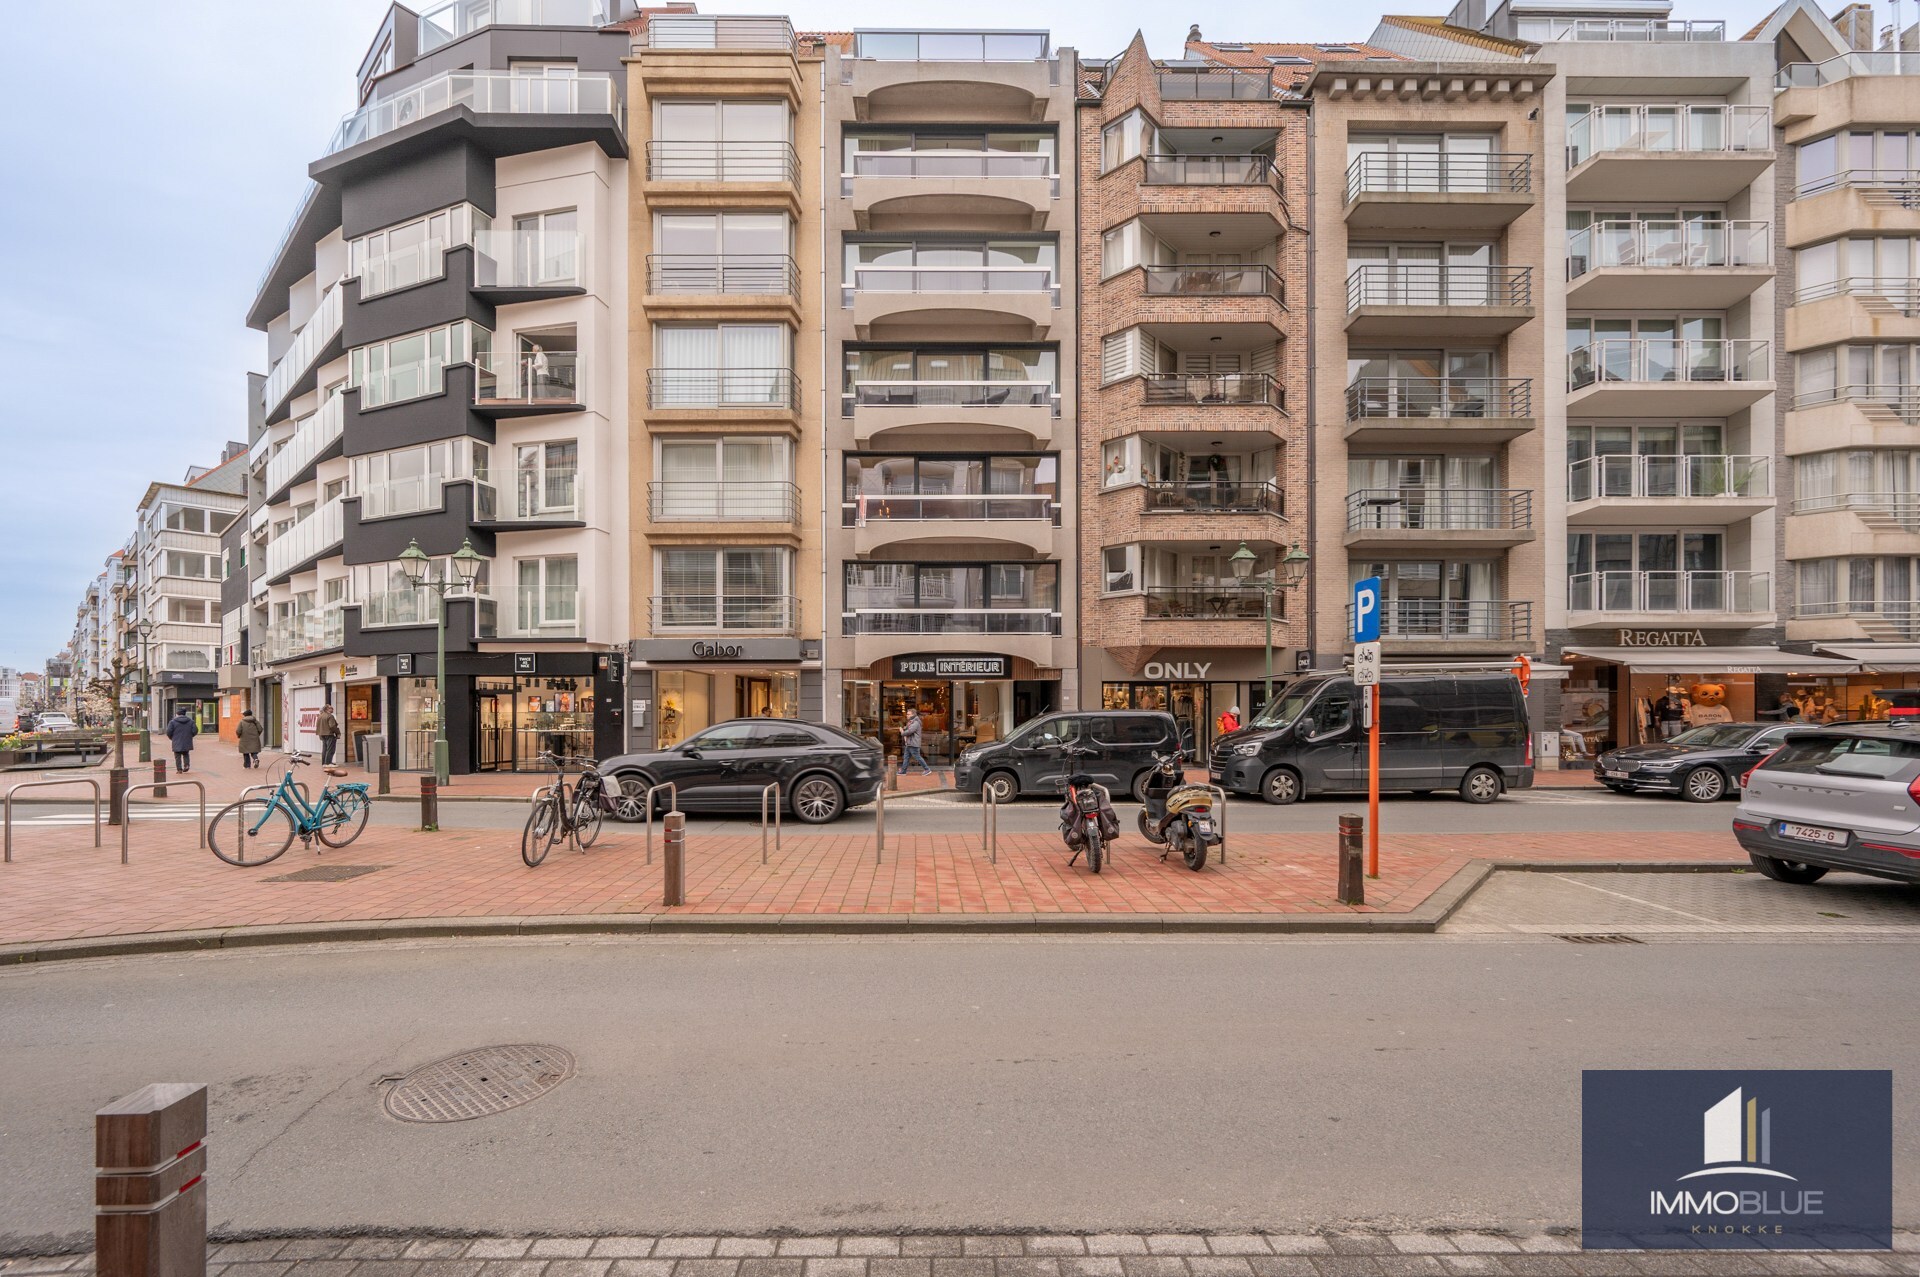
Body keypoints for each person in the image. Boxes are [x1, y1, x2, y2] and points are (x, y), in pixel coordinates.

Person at [900, 707, 933, 776]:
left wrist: (902, 732)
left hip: (913, 743)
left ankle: (927, 769)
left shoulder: (916, 722)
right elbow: (908, 729)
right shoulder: (911, 722)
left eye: (908, 714)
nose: (907, 715)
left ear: (913, 715)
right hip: (909, 743)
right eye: (907, 714)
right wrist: (905, 728)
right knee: (906, 757)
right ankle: (903, 771)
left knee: (917, 757)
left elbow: (910, 731)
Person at [164, 708, 198, 775]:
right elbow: (195, 730)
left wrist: (172, 738)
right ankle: (186, 765)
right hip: (187, 740)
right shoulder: (191, 721)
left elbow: (168, 732)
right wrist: (190, 736)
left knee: (177, 756)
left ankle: (179, 769)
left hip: (176, 741)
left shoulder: (172, 722)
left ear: (177, 714)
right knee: (186, 754)